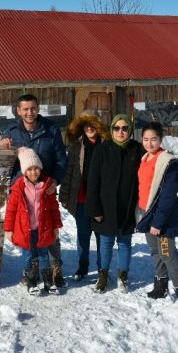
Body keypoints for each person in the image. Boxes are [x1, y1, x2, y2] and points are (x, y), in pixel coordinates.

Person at [0, 94, 68, 288]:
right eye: (25, 109)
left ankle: (56, 268)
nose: (30, 112)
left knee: (49, 229)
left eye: (33, 108)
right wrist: (3, 147)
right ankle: (31, 271)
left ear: (38, 109)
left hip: (45, 188)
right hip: (21, 191)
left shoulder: (50, 129)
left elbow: (61, 159)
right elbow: (5, 162)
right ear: (19, 111)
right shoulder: (11, 132)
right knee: (26, 229)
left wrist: (56, 180)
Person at [86, 114, 144, 293]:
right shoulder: (102, 150)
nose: (121, 132)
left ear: (130, 130)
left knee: (125, 242)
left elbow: (153, 164)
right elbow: (93, 182)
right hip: (106, 206)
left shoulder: (137, 150)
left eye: (125, 128)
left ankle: (123, 274)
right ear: (111, 130)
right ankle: (103, 274)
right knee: (105, 242)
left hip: (128, 206)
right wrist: (94, 208)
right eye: (117, 128)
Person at [136, 122, 178, 301]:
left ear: (161, 139)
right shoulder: (145, 158)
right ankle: (161, 286)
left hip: (162, 217)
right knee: (155, 251)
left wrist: (157, 222)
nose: (149, 143)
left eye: (153, 139)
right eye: (145, 139)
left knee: (167, 253)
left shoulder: (168, 162)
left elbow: (168, 196)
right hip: (146, 212)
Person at [59, 110, 110, 281]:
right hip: (81, 199)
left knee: (101, 236)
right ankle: (83, 267)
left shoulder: (107, 146)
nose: (89, 128)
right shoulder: (76, 147)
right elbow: (69, 173)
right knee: (83, 234)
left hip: (100, 201)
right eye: (86, 125)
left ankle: (102, 269)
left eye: (93, 124)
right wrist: (64, 196)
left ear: (98, 126)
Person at [3, 147, 62, 295]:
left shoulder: (47, 186)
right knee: (28, 256)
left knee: (43, 255)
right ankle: (31, 281)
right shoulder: (18, 189)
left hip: (43, 229)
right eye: (29, 169)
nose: (33, 172)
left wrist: (56, 226)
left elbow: (54, 209)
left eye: (36, 168)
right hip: (25, 230)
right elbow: (11, 211)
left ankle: (48, 281)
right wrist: (8, 229)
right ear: (24, 171)